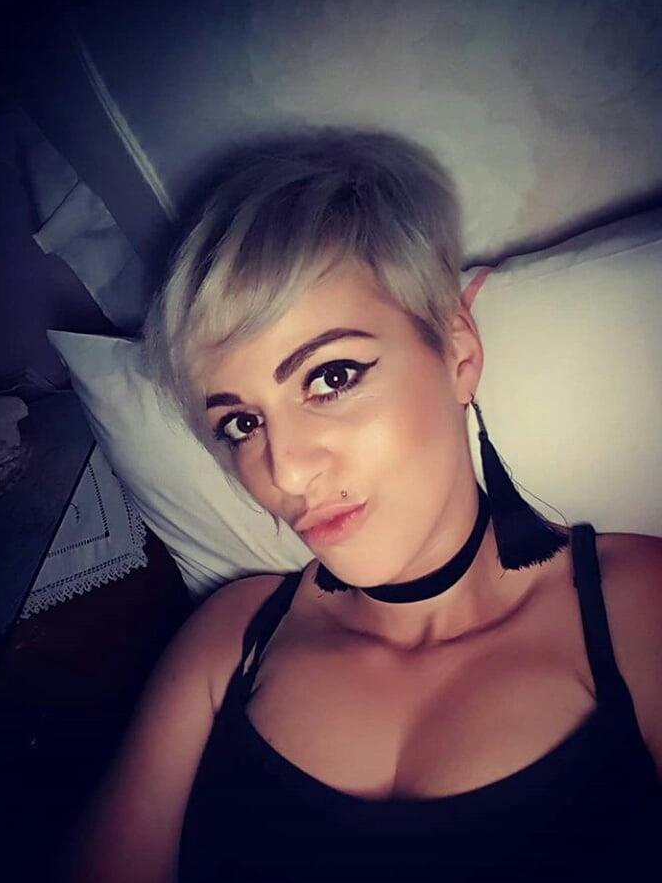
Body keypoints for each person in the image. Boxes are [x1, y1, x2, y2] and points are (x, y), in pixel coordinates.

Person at [62, 128, 662, 882]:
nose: (286, 470)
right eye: (241, 424)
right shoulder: (230, 637)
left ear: (457, 353)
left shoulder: (638, 608)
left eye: (331, 376)